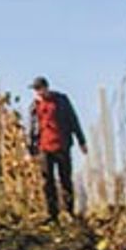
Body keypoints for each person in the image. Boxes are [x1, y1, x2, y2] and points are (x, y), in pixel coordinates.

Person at [26, 76, 87, 223]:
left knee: (65, 178)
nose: (38, 93)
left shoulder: (61, 100)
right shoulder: (34, 107)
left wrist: (81, 141)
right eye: (35, 90)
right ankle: (51, 214)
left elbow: (73, 120)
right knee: (47, 182)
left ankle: (69, 212)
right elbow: (31, 129)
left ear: (46, 88)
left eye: (40, 89)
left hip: (61, 144)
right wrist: (30, 150)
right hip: (43, 148)